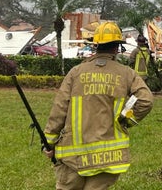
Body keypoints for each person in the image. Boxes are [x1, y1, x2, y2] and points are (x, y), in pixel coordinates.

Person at [43, 21, 154, 190]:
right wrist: (126, 120)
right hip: (109, 158)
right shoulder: (126, 73)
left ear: (95, 46)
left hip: (73, 159)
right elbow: (145, 100)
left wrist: (49, 142)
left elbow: (59, 109)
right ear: (117, 47)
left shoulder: (76, 72)